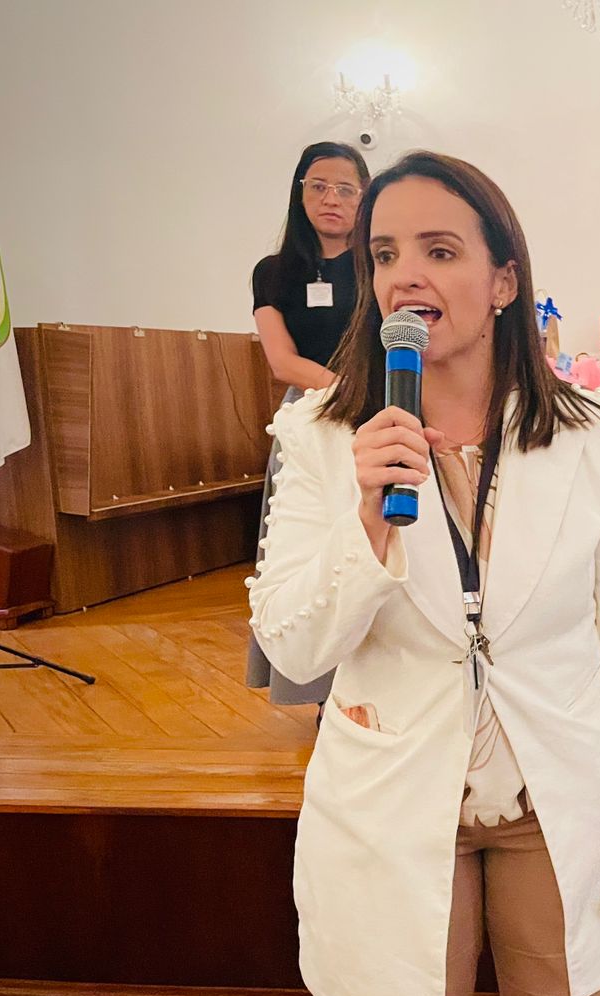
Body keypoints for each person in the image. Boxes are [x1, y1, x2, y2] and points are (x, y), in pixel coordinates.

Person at [249, 150, 600, 996]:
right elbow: (296, 648)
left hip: (556, 803)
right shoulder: (319, 436)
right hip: (396, 802)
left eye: (440, 250)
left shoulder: (594, 436)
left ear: (502, 281)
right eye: (384, 253)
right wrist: (369, 520)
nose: (406, 274)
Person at [245, 141, 370, 708]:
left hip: (379, 412)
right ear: (300, 193)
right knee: (310, 551)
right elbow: (281, 360)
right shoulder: (274, 272)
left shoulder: (379, 263)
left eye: (346, 188)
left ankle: (372, 684)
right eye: (318, 186)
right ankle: (320, 695)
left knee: (372, 545)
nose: (331, 198)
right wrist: (345, 392)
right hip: (312, 417)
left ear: (364, 198)